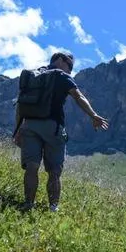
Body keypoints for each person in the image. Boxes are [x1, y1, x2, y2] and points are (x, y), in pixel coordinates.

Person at [13, 52, 109, 212]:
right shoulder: (61, 76)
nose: (70, 70)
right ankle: (53, 208)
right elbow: (78, 96)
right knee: (54, 171)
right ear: (60, 60)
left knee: (31, 167)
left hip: (28, 125)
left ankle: (28, 204)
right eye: (70, 65)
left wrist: (17, 130)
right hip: (53, 127)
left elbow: (20, 105)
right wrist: (94, 115)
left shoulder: (33, 76)